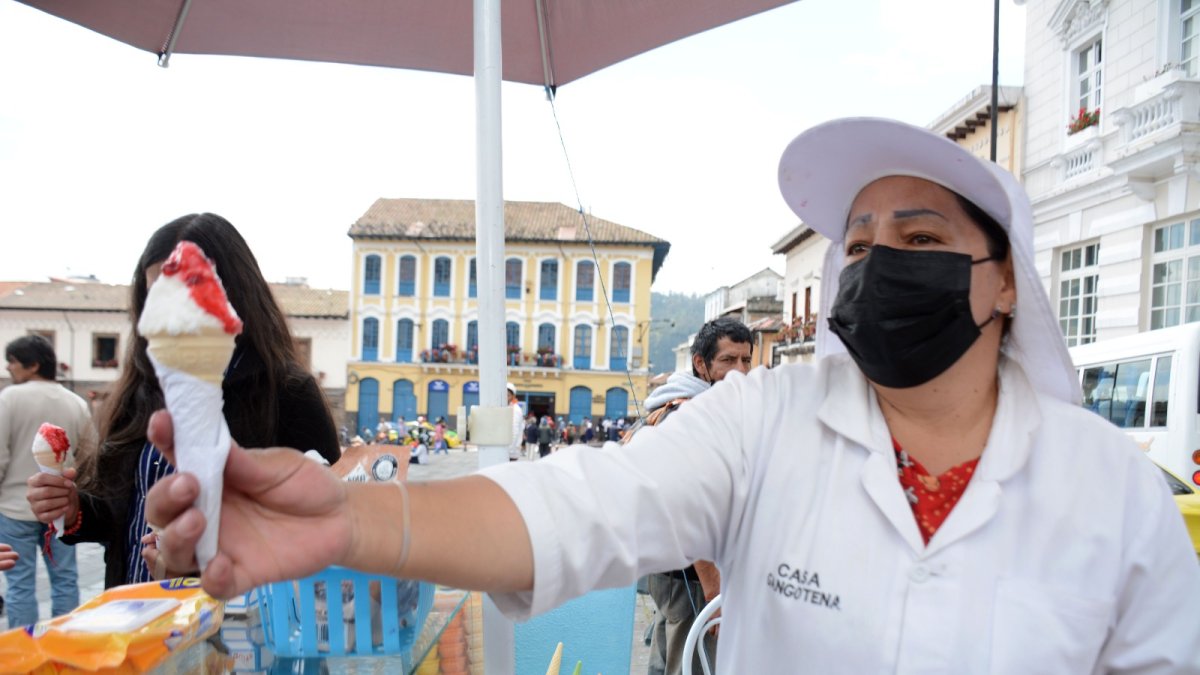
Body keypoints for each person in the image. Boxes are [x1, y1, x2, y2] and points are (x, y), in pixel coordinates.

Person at [144, 119, 1200, 672]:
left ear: (1007, 279)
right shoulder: (763, 422)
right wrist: (348, 522)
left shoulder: (1118, 499)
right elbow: (580, 507)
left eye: (923, 242)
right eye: (862, 246)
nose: (881, 267)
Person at [25, 213, 340, 589]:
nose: (168, 308)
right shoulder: (139, 391)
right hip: (133, 611)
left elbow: (324, 522)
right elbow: (120, 510)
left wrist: (199, 561)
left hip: (232, 624)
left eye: (185, 287)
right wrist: (75, 509)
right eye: (156, 293)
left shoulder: (287, 391)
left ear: (232, 292)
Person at [625, 317, 752, 675]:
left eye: (746, 360)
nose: (740, 371)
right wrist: (714, 595)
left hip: (667, 572)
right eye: (728, 360)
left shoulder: (672, 406)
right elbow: (690, 508)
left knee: (668, 659)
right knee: (691, 664)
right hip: (692, 576)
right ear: (701, 364)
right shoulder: (693, 416)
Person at [0, 335, 92, 626]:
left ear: (33, 364)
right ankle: (63, 650)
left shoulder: (8, 399)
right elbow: (89, 459)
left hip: (15, 509)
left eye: (12, 361)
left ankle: (24, 657)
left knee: (20, 585)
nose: (8, 368)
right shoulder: (76, 403)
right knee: (66, 580)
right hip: (62, 508)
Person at [507, 383, 523, 462]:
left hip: (510, 452)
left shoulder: (515, 409)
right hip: (506, 451)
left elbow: (514, 431)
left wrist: (509, 449)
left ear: (513, 396)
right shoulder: (506, 408)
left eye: (508, 395)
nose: (506, 397)